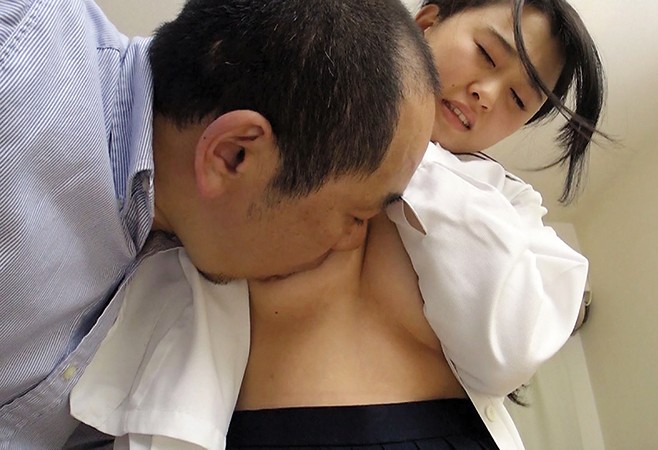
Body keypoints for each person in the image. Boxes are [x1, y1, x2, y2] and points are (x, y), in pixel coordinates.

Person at [69, 0, 606, 448]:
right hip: (244, 426)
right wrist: (375, 119)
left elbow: (511, 348)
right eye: (487, 54)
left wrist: (407, 152)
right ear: (426, 23)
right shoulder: (290, 99)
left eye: (518, 99)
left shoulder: (509, 210)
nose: (486, 94)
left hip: (440, 431)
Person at [0, 0, 438, 446]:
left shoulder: (188, 249)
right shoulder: (16, 69)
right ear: (234, 155)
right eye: (356, 216)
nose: (354, 241)